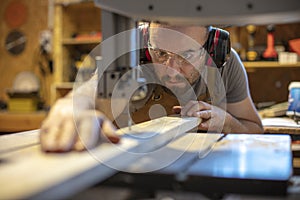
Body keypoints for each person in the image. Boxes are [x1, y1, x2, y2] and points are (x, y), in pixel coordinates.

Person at [40, 22, 264, 152]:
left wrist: (226, 121)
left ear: (211, 47)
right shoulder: (130, 51)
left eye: (187, 55)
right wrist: (74, 104)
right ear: (146, 40)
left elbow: (255, 129)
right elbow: (94, 89)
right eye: (161, 54)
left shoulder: (225, 62)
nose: (171, 70)